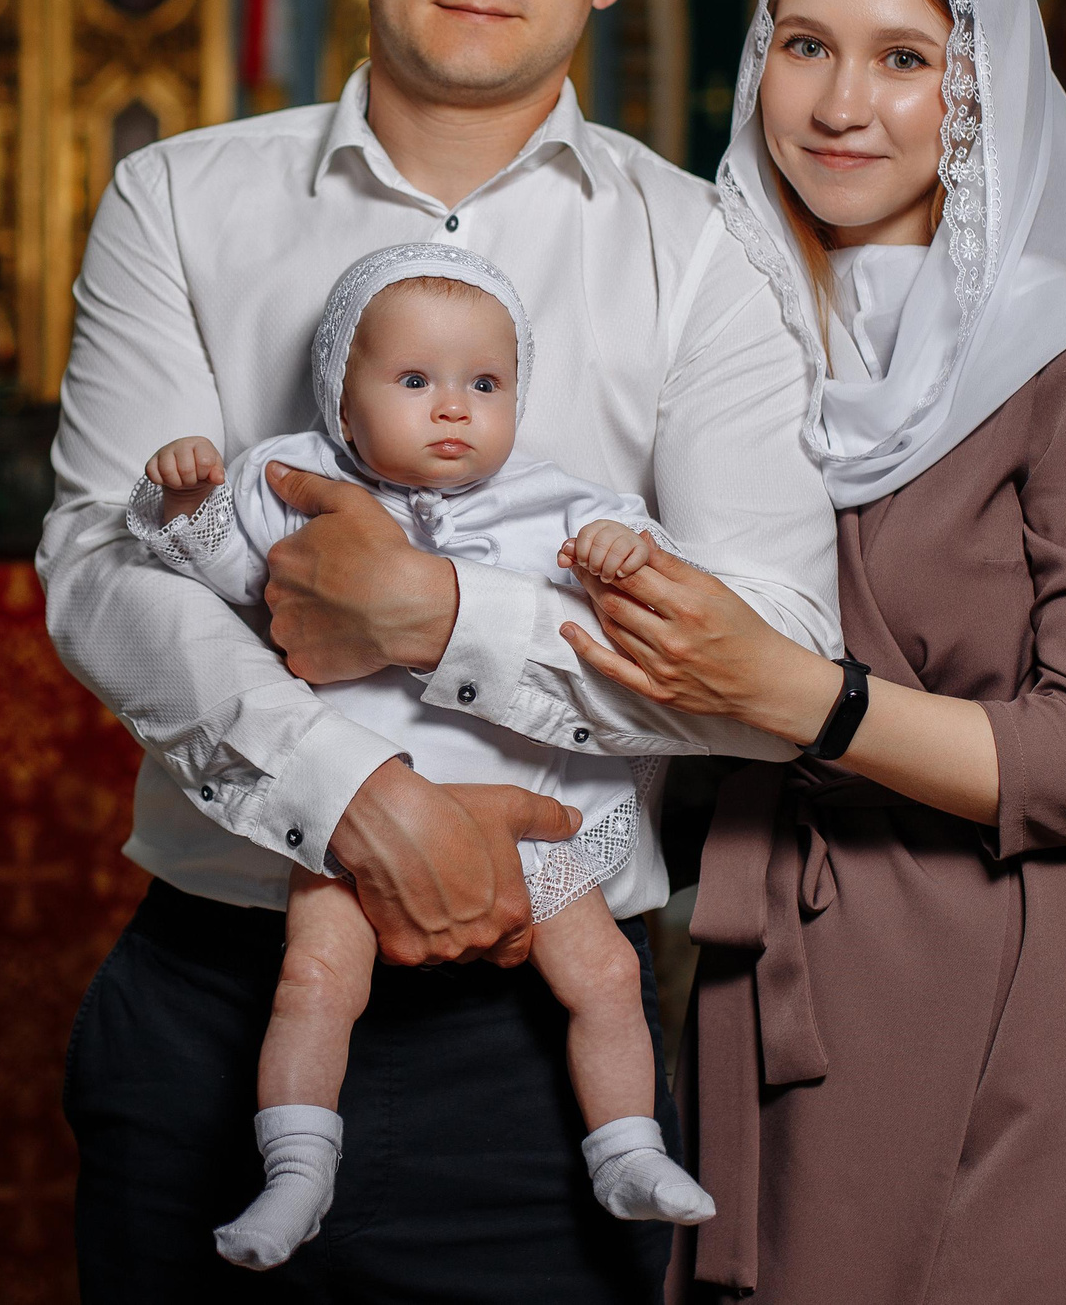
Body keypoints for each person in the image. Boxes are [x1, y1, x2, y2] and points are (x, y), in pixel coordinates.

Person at [40, 0, 839, 1302]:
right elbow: (104, 572)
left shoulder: (710, 253)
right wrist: (358, 798)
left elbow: (780, 655)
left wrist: (447, 621)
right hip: (216, 998)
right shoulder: (181, 203)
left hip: (551, 1059)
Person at [548, 0, 1066, 1301]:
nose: (842, 103)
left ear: (983, 89)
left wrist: (797, 695)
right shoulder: (722, 319)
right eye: (806, 45)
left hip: (1018, 990)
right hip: (763, 971)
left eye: (905, 57)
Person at [131, 243, 716, 1269]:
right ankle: (297, 1168)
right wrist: (188, 504)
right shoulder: (292, 479)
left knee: (608, 976)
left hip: (524, 818)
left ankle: (626, 1146)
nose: (454, 408)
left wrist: (627, 557)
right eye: (415, 381)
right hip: (358, 819)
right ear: (340, 399)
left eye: (484, 385)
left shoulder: (557, 505)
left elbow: (653, 596)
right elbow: (218, 573)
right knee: (314, 982)